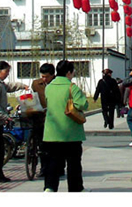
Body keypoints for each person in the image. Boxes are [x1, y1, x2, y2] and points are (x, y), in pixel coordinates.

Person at [43, 59, 89, 192]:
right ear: (69, 72)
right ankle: (76, 188)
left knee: (52, 163)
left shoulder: (49, 87)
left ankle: (50, 187)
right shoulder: (72, 87)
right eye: (73, 72)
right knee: (73, 163)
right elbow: (82, 104)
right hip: (71, 133)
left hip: (52, 132)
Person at [0, 60, 28, 184]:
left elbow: (8, 87)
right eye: (6, 71)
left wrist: (21, 86)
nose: (7, 74)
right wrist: (4, 117)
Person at [30, 62, 56, 177]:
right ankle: (44, 168)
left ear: (53, 75)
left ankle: (57, 167)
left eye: (47, 76)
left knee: (54, 146)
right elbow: (33, 97)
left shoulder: (57, 84)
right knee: (42, 145)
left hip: (54, 118)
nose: (44, 79)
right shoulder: (36, 84)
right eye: (42, 76)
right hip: (40, 118)